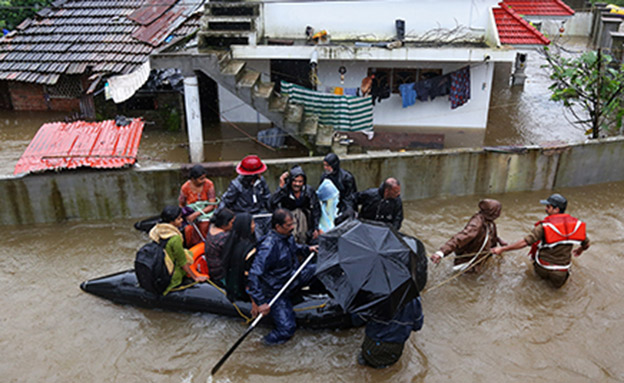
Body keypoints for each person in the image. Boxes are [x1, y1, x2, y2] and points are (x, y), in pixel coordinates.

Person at [247, 208, 318, 345]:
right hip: (277, 289)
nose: (292, 228)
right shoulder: (268, 247)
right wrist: (261, 302)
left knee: (318, 269)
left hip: (293, 276)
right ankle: (262, 344)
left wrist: (307, 249)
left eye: (293, 224)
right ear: (278, 227)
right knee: (286, 330)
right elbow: (254, 275)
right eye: (289, 225)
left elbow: (293, 247)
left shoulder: (287, 236)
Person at [492, 193, 589, 288]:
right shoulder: (576, 226)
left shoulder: (544, 226)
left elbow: (525, 242)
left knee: (537, 285)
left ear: (556, 209)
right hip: (560, 272)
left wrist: (502, 249)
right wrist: (580, 249)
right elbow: (587, 244)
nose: (546, 208)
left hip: (542, 267)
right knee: (556, 293)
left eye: (548, 206)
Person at [431, 199, 506, 273]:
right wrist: (441, 253)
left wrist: (498, 240)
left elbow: (490, 234)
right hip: (469, 261)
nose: (499, 213)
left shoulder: (489, 221)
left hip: (480, 257)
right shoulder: (476, 225)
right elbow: (460, 238)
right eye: (498, 211)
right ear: (492, 212)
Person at [149, 205, 207, 295]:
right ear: (172, 221)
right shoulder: (175, 238)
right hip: (171, 275)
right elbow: (182, 262)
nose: (182, 220)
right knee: (188, 257)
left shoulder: (156, 231)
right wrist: (195, 277)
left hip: (161, 266)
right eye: (179, 219)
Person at [358, 296, 424, 369]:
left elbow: (360, 319)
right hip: (394, 349)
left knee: (364, 360)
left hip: (372, 346)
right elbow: (417, 326)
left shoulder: (376, 296)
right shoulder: (414, 301)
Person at [269, 165, 321, 244]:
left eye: (300, 182)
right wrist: (281, 188)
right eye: (295, 181)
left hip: (305, 221)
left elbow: (316, 209)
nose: (297, 184)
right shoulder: (285, 191)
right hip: (290, 219)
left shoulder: (309, 191)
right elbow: (272, 203)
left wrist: (316, 228)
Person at [178, 164, 217, 247]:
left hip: (206, 212)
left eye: (204, 178)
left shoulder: (209, 184)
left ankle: (206, 246)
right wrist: (185, 215)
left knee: (204, 225)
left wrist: (196, 214)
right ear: (193, 179)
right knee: (188, 229)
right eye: (201, 179)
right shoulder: (185, 187)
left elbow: (211, 205)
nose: (204, 180)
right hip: (191, 211)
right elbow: (181, 204)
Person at [221, 213, 257, 301]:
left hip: (232, 283)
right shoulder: (249, 249)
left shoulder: (230, 243)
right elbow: (249, 276)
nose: (254, 226)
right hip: (243, 288)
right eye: (252, 224)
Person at [204, 208, 235, 285]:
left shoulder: (212, 227)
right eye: (232, 223)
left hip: (211, 267)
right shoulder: (223, 237)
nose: (233, 225)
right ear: (224, 224)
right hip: (220, 272)